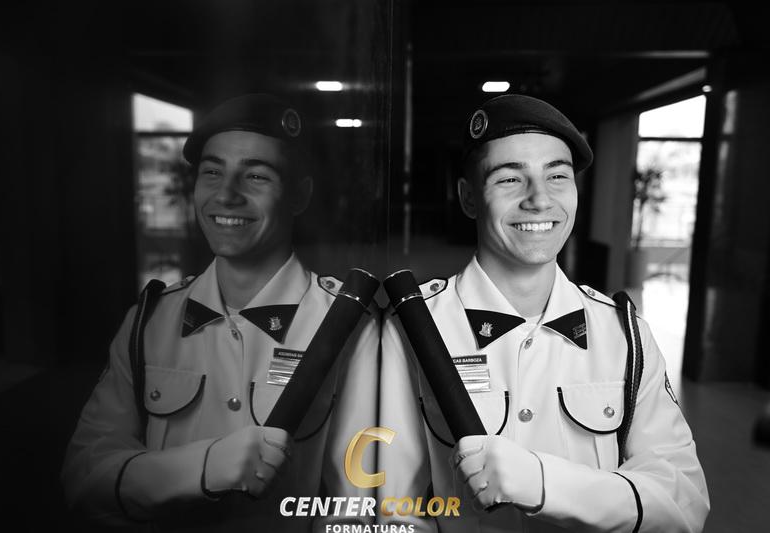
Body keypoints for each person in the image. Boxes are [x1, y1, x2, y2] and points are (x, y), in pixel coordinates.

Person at [378, 94, 709, 532]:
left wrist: (544, 483)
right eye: (509, 179)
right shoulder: (411, 329)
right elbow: (384, 507)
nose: (539, 199)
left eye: (557, 176)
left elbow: (683, 502)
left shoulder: (624, 335)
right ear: (469, 198)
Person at [62, 94, 379, 531]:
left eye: (256, 176)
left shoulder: (349, 325)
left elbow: (364, 503)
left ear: (299, 195)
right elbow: (84, 476)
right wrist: (203, 467)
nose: (226, 195)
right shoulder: (150, 321)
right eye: (212, 173)